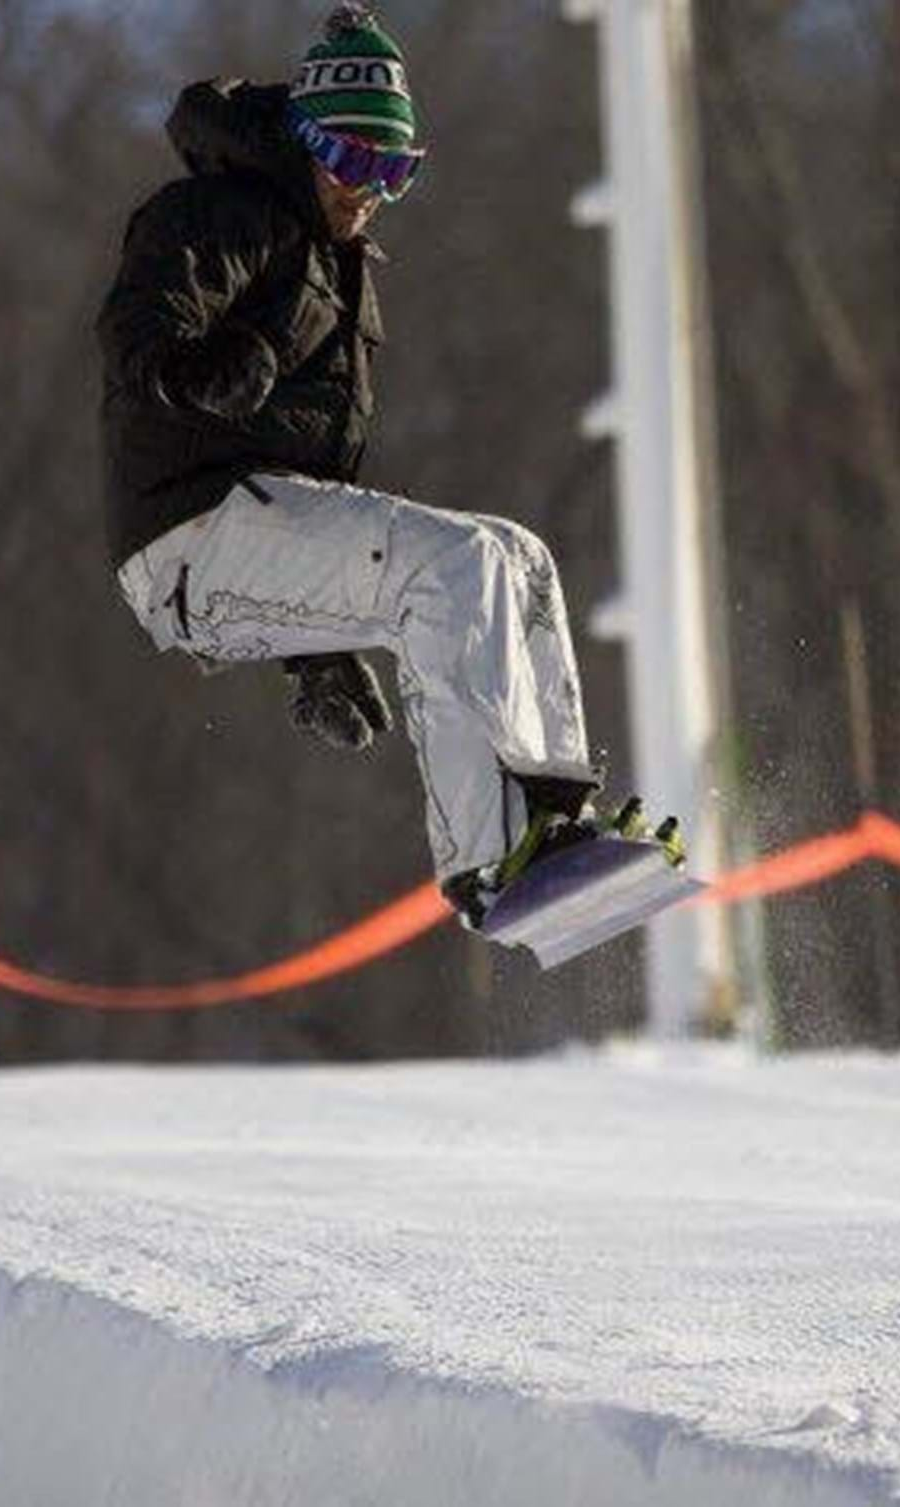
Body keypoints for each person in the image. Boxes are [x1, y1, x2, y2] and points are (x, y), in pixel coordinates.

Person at [97, 3, 658, 926]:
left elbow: (316, 502)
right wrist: (195, 371)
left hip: (242, 530)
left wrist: (313, 648)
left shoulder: (334, 264)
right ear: (304, 140)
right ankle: (490, 861)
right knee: (454, 568)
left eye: (394, 172)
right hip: (183, 537)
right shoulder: (226, 210)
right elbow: (136, 324)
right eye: (354, 164)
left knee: (516, 558)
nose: (369, 192)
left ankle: (556, 819)